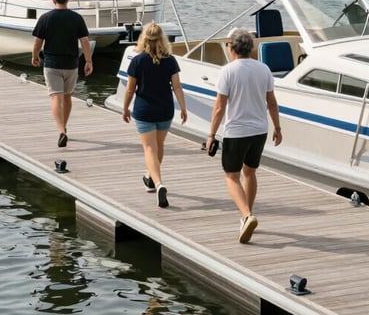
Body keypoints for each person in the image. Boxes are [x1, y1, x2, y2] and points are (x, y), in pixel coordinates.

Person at [205, 28, 282, 243]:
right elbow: (272, 102)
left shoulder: (228, 71)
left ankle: (247, 215)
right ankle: (246, 215)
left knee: (231, 175)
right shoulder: (264, 69)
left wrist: (211, 134)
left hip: (237, 132)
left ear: (231, 48)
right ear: (251, 48)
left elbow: (219, 107)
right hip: (259, 130)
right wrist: (277, 127)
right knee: (250, 172)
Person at [121, 22, 187, 208]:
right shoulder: (170, 60)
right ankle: (150, 178)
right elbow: (177, 87)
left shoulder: (137, 61)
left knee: (150, 149)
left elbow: (129, 89)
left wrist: (125, 108)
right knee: (159, 145)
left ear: (144, 38)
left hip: (144, 110)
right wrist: (183, 107)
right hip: (165, 110)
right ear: (162, 39)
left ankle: (158, 183)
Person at [31, 0, 93, 147]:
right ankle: (64, 127)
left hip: (52, 64)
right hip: (71, 64)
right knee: (67, 97)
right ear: (68, 0)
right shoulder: (76, 18)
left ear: (53, 0)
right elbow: (85, 41)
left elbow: (38, 42)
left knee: (56, 97)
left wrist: (35, 56)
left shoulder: (46, 18)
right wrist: (88, 61)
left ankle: (61, 131)